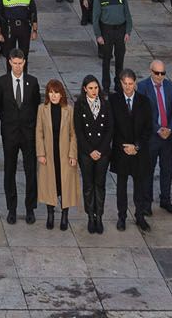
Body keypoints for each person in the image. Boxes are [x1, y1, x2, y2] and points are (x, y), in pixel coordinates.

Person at [0, 53, 40, 223]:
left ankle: (30, 208)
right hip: (10, 134)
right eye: (15, 63)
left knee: (30, 172)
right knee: (9, 171)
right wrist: (7, 123)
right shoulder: (2, 82)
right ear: (9, 62)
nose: (18, 66)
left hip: (28, 134)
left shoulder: (33, 82)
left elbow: (36, 107)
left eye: (20, 63)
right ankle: (11, 209)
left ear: (24, 62)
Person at [110, 69, 153, 231]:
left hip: (139, 152)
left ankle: (140, 216)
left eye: (130, 84)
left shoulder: (144, 101)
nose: (128, 87)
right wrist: (125, 146)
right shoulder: (114, 100)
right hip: (121, 151)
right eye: (125, 84)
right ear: (121, 84)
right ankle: (122, 216)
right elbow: (112, 127)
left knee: (139, 186)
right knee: (121, 186)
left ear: (135, 83)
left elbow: (148, 128)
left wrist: (136, 146)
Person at [35, 78, 79, 231]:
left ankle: (65, 216)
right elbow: (39, 132)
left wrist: (73, 155)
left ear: (62, 94)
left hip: (64, 154)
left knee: (65, 186)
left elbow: (74, 134)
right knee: (49, 185)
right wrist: (40, 153)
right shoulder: (42, 109)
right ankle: (50, 215)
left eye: (56, 92)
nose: (54, 96)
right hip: (48, 153)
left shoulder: (69, 110)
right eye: (51, 92)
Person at [74, 74, 113, 235]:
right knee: (88, 186)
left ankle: (99, 217)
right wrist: (90, 150)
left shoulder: (105, 104)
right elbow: (79, 130)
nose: (94, 91)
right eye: (90, 88)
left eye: (96, 87)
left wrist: (101, 150)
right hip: (86, 153)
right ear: (85, 89)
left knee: (100, 185)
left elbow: (110, 129)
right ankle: (90, 216)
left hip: (102, 153)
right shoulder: (80, 105)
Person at [142, 58, 172, 217]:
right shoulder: (143, 87)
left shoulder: (170, 86)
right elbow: (144, 113)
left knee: (167, 169)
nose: (159, 76)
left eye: (162, 73)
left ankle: (165, 199)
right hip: (152, 136)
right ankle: (146, 202)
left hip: (167, 137)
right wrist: (158, 129)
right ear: (151, 72)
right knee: (148, 170)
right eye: (157, 73)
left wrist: (170, 128)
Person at [92, 0, 132, 95]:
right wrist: (98, 35)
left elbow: (127, 15)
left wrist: (128, 31)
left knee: (120, 59)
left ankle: (118, 85)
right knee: (106, 60)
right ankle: (106, 86)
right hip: (107, 31)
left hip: (120, 30)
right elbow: (95, 18)